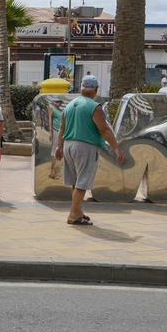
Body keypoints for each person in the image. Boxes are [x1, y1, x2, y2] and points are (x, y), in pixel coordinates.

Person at [54, 75, 126, 226]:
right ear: (95, 90)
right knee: (83, 182)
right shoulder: (94, 107)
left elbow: (61, 129)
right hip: (85, 146)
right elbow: (105, 129)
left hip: (68, 145)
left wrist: (59, 147)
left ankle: (78, 212)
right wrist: (117, 149)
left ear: (82, 88)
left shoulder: (70, 105)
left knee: (75, 181)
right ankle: (73, 214)